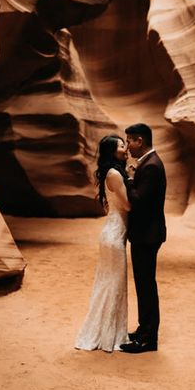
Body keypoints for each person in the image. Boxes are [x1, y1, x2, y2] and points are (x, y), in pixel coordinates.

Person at [74, 134, 132, 352]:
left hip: (112, 231)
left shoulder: (113, 173)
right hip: (114, 235)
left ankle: (108, 332)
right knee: (114, 285)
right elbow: (127, 205)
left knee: (109, 284)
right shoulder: (115, 174)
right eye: (121, 145)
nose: (125, 147)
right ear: (112, 151)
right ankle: (111, 336)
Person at [119, 122, 166, 354]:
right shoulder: (149, 163)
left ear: (140, 140)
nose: (127, 145)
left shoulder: (151, 166)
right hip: (146, 234)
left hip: (147, 235)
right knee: (144, 284)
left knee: (146, 285)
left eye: (129, 140)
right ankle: (143, 330)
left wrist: (128, 179)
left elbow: (138, 201)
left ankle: (148, 339)